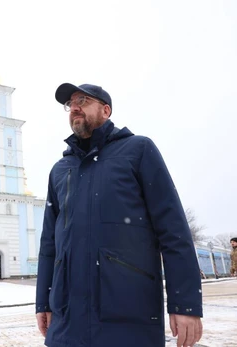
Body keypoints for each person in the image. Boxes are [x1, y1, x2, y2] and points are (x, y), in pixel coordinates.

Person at [36, 83, 203, 347]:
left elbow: (173, 230)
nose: (74, 107)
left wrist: (186, 304)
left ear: (106, 110)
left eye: (83, 100)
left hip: (127, 319)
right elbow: (49, 245)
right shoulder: (60, 169)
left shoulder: (138, 151)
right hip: (66, 324)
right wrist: (44, 302)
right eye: (70, 104)